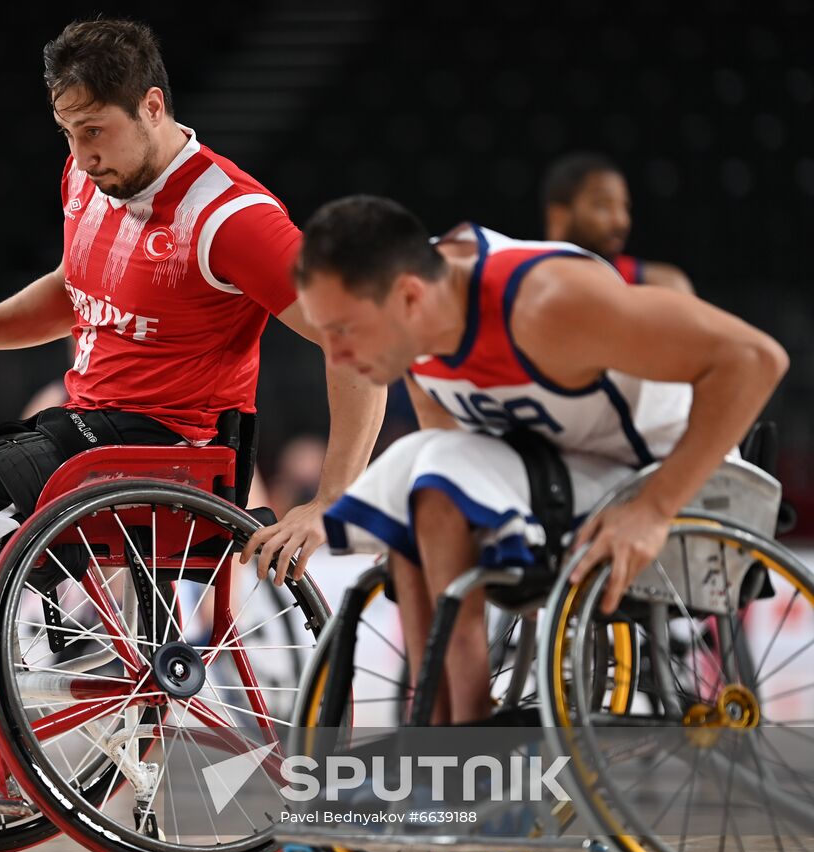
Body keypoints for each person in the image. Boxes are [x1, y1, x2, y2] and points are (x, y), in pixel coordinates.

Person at [0, 19, 386, 792]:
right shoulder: (87, 177)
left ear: (152, 106)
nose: (80, 153)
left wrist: (329, 500)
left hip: (170, 455)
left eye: (93, 131)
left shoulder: (232, 218)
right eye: (66, 132)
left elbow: (358, 344)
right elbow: (74, 289)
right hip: (87, 435)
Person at [299, 195, 786, 724]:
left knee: (434, 480)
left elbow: (755, 359)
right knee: (420, 486)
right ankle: (441, 742)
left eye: (343, 331)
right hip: (569, 476)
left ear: (410, 297)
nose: (335, 355)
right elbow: (453, 452)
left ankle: (464, 745)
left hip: (673, 479)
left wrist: (655, 507)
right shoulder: (413, 322)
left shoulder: (548, 303)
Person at [541, 151, 694, 293]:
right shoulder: (527, 282)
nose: (621, 221)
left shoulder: (659, 284)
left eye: (625, 207)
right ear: (558, 216)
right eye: (603, 206)